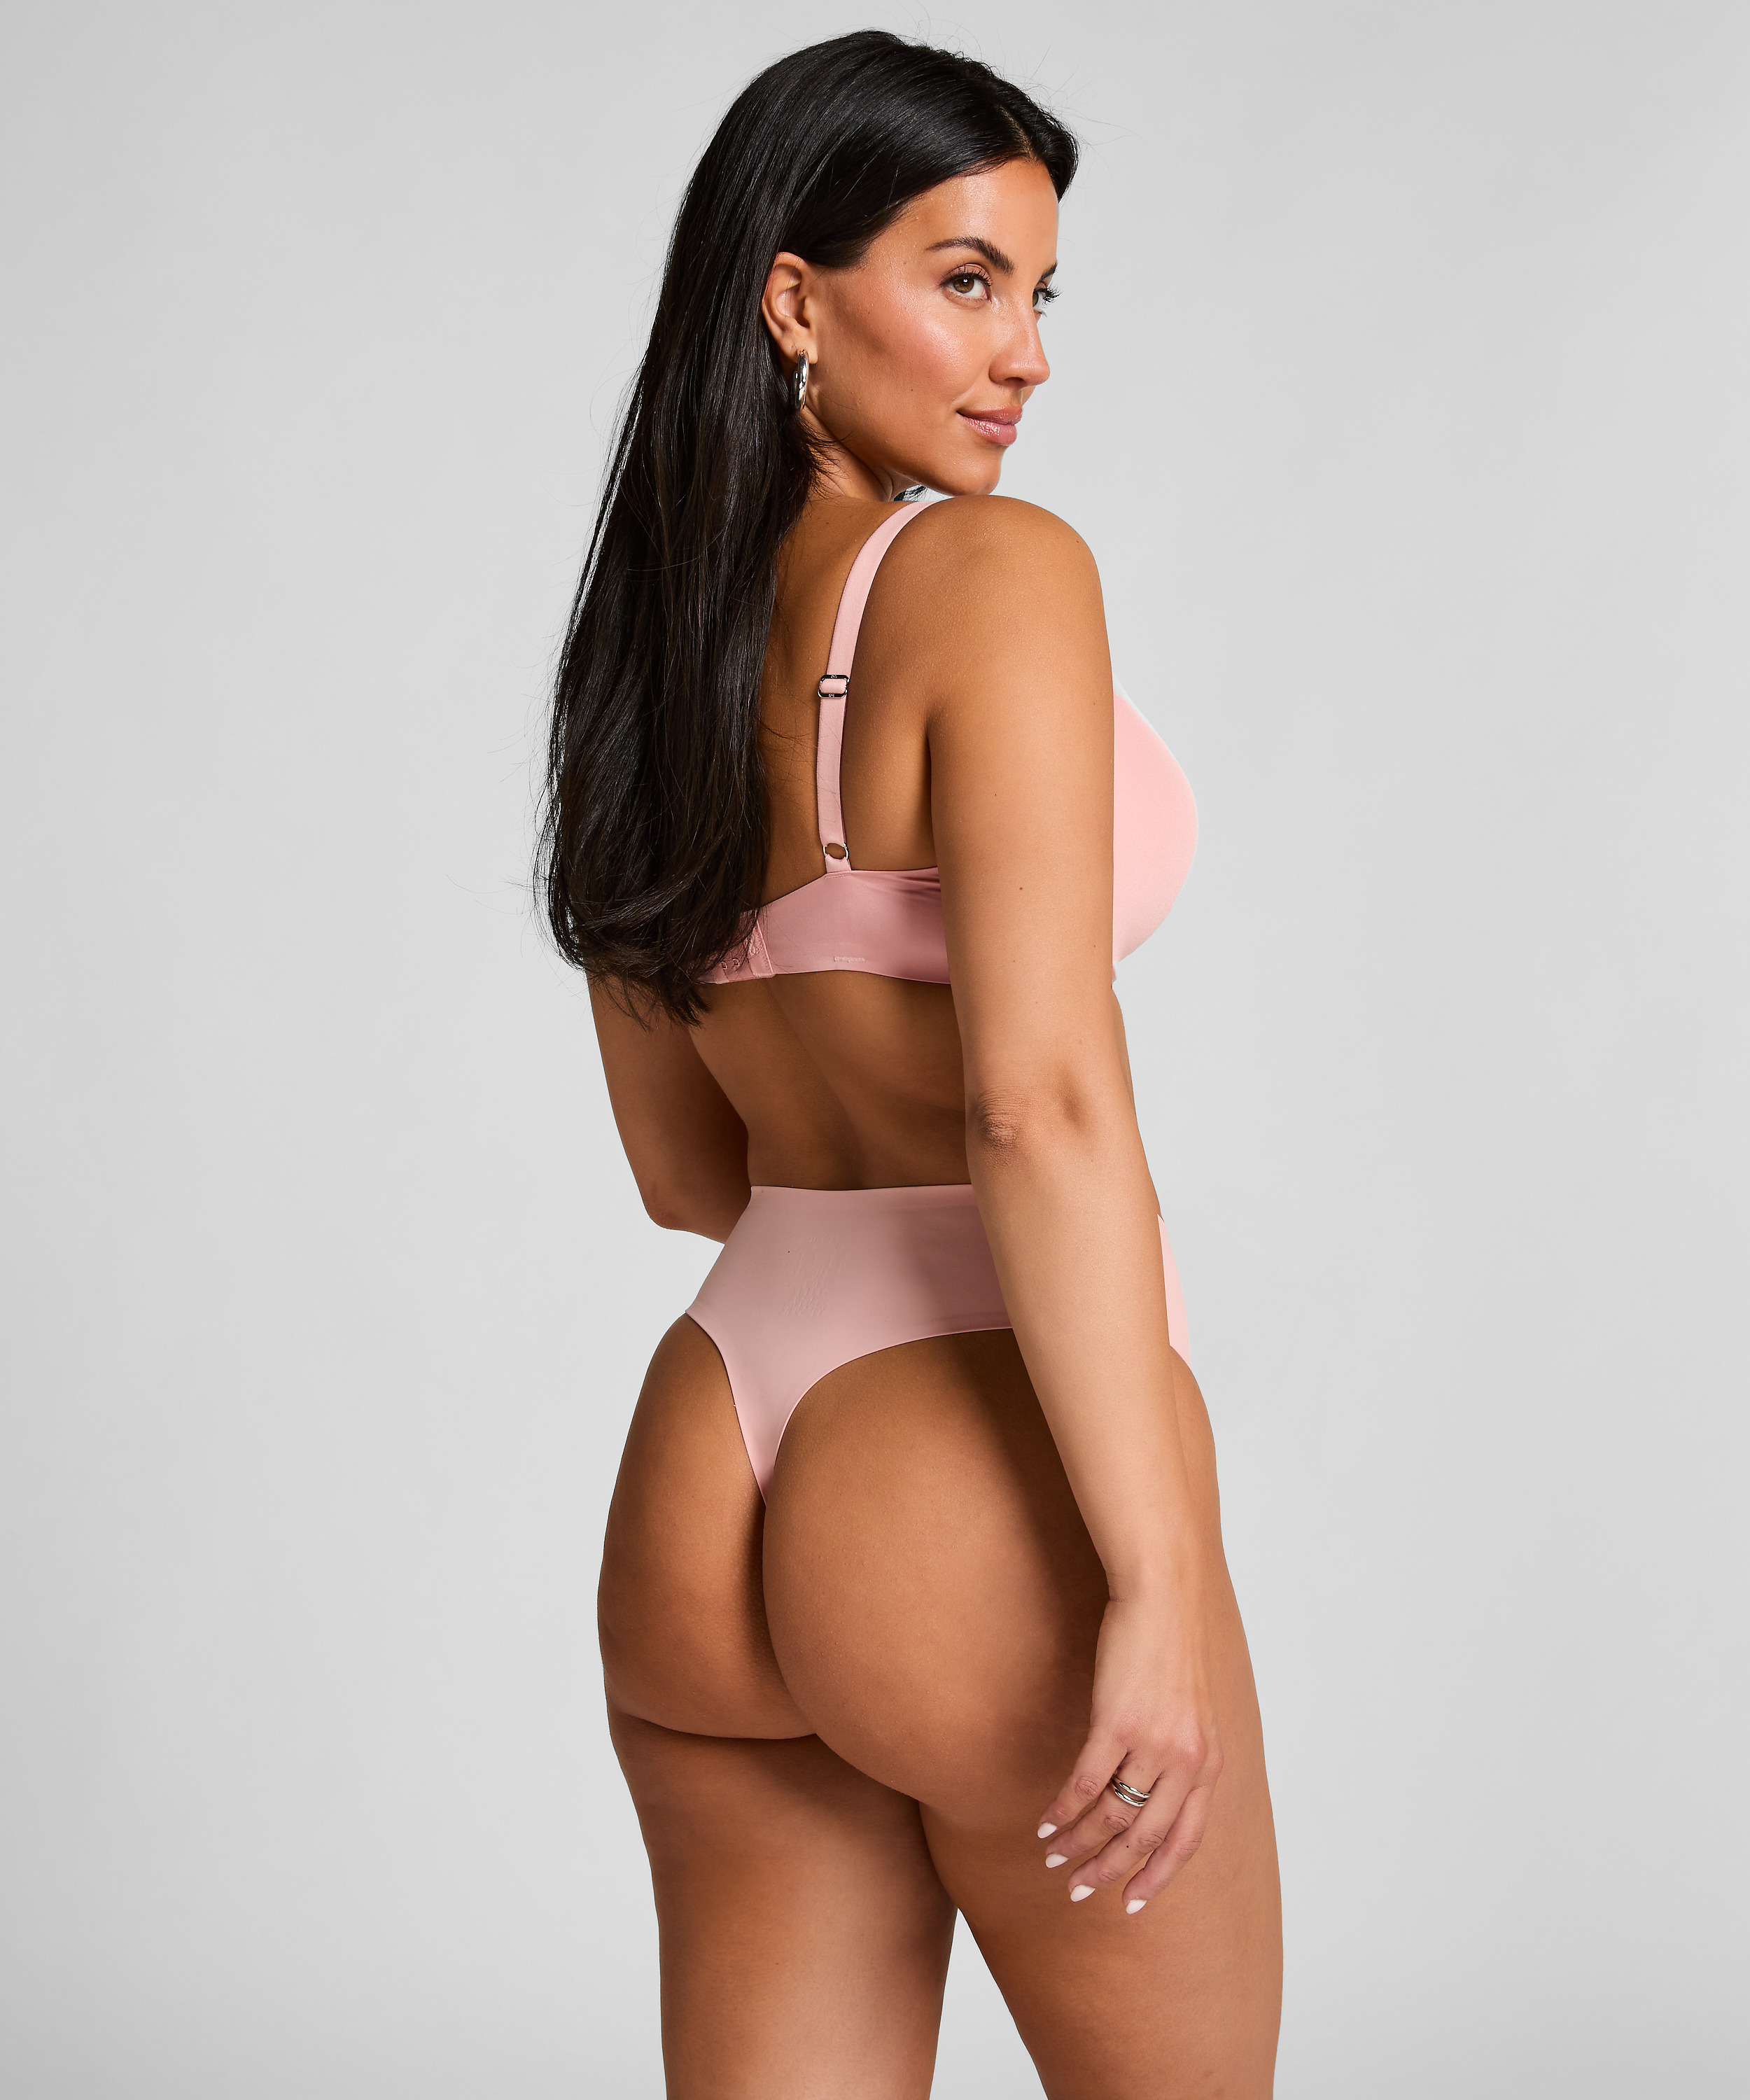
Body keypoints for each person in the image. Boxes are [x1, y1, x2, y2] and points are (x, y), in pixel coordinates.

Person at [540, 30, 1282, 2097]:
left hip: (713, 1449)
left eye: (1039, 292)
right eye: (965, 280)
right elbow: (1036, 1104)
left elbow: (686, 1170)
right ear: (794, 298)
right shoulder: (989, 575)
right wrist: (1153, 1579)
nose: (1023, 354)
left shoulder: (640, 653)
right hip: (968, 1467)